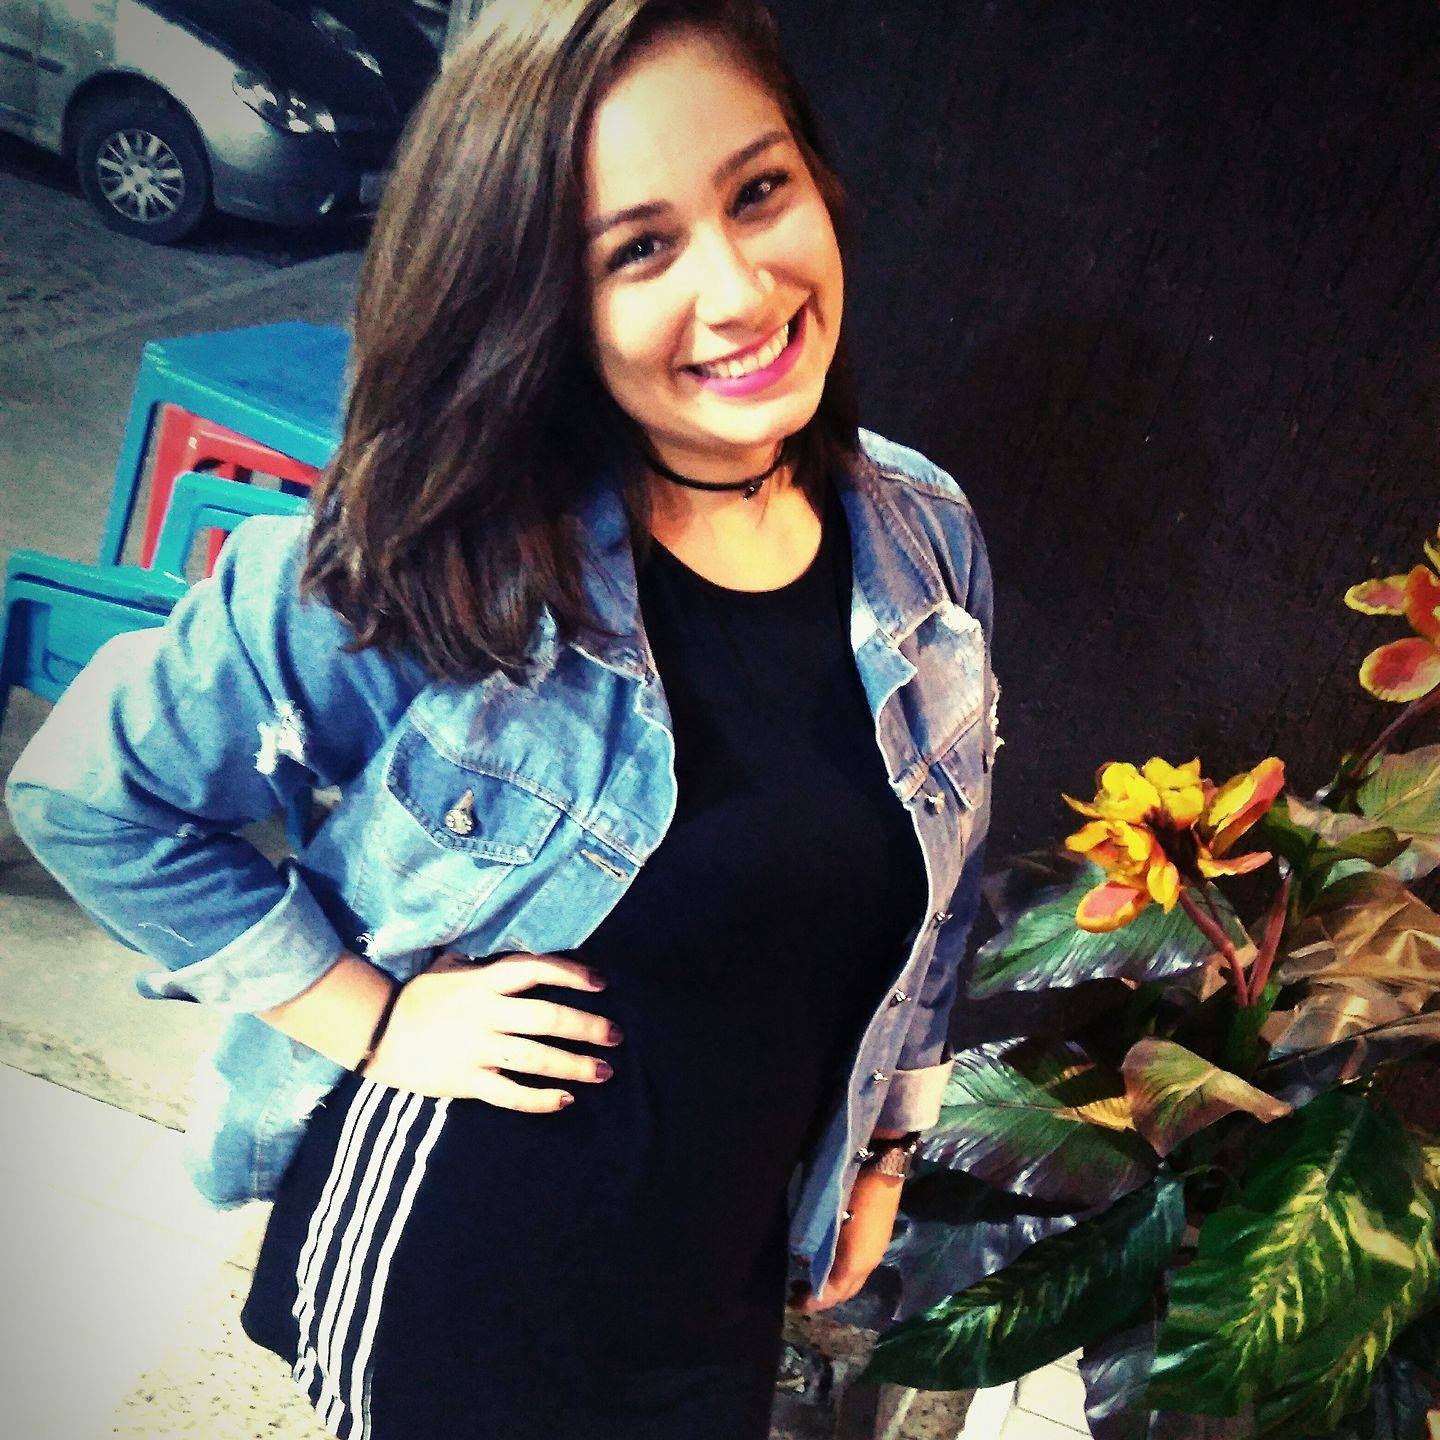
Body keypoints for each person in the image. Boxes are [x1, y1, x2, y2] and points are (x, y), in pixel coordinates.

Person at [5, 0, 999, 1435]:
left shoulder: (923, 536)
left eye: (758, 191)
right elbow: (92, 793)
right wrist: (369, 1020)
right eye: (638, 249)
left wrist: (887, 1154)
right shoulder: (442, 551)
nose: (738, 290)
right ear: (534, 293)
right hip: (463, 1266)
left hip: (721, 1268)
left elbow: (943, 894)